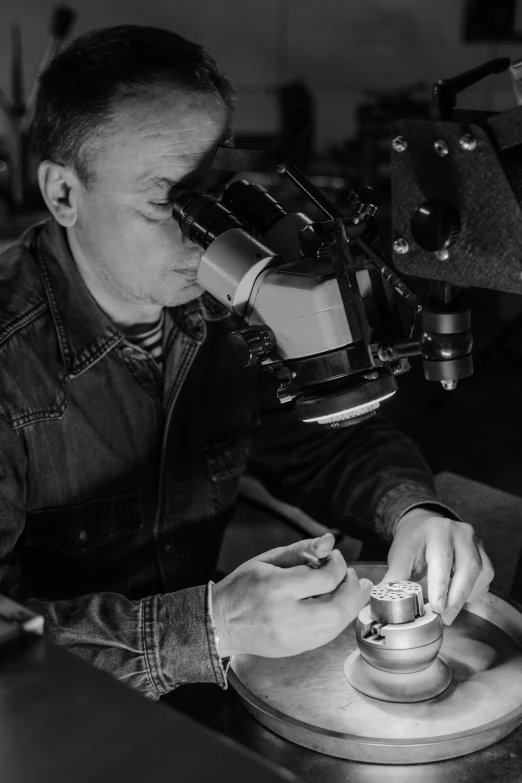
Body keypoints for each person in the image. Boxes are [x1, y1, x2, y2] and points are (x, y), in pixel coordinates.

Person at [0, 25, 493, 699]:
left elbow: (317, 441)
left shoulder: (227, 302)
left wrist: (414, 511)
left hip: (198, 692)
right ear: (63, 194)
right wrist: (212, 624)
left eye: (218, 193)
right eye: (172, 201)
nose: (214, 238)